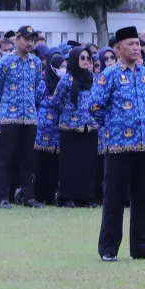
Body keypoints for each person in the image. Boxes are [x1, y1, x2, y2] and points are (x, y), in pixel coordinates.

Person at [92, 26, 145, 262]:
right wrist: (115, 127)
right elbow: (95, 107)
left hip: (144, 145)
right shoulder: (109, 74)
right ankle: (109, 248)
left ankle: (141, 247)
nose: (136, 48)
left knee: (141, 198)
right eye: (131, 44)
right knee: (114, 198)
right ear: (118, 48)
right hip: (118, 146)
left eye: (138, 44)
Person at [0, 25, 43, 209]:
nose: (29, 43)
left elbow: (36, 88)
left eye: (32, 39)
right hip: (8, 117)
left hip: (29, 116)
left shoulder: (36, 63)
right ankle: (3, 196)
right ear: (16, 39)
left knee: (28, 158)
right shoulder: (4, 63)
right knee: (5, 158)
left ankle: (27, 196)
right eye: (25, 39)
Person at [53, 46, 99, 208]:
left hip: (90, 126)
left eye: (88, 58)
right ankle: (68, 197)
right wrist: (70, 114)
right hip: (70, 127)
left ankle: (87, 197)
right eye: (82, 58)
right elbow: (56, 101)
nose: (86, 61)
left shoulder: (94, 78)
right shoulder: (67, 79)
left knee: (88, 163)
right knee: (70, 164)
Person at [34, 52, 64, 204]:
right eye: (59, 67)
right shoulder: (43, 84)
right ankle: (39, 195)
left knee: (55, 164)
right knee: (42, 162)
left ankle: (52, 195)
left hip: (58, 128)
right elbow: (35, 101)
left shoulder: (66, 82)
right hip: (44, 128)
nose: (62, 70)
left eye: (64, 66)